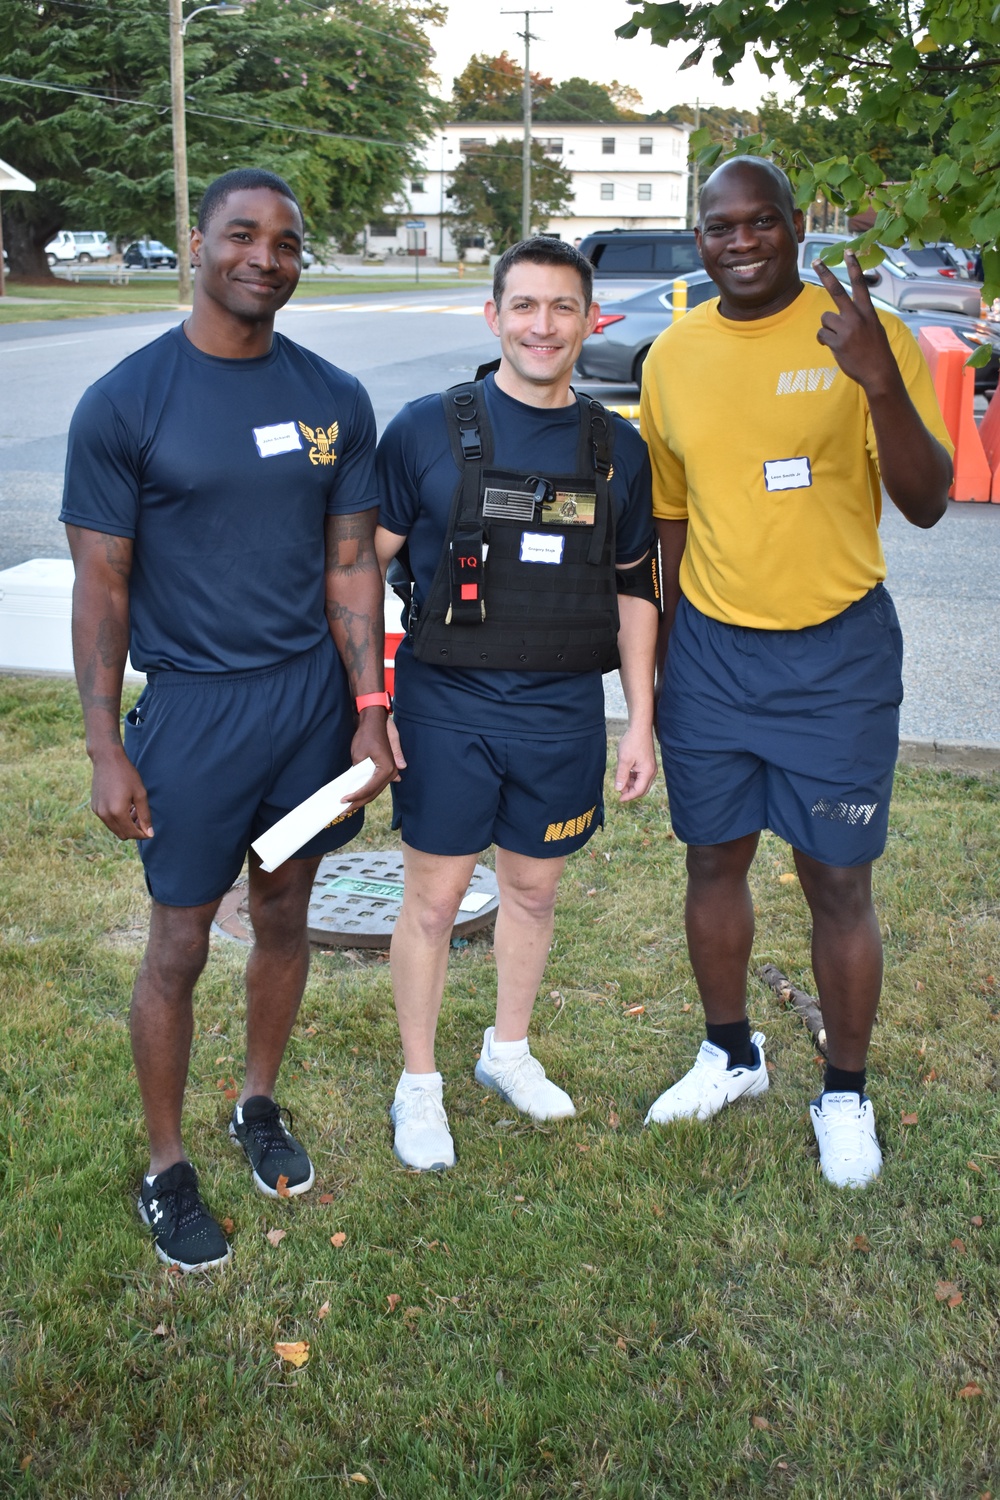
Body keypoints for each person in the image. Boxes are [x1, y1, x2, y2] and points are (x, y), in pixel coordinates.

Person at [61, 168, 395, 1270]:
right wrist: (107, 743)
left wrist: (367, 711)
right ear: (197, 244)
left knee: (287, 908)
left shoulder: (334, 396)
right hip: (195, 717)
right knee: (178, 940)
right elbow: (101, 586)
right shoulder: (127, 401)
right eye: (242, 236)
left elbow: (352, 567)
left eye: (286, 242)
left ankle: (258, 1101)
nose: (265, 257)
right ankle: (166, 1164)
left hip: (308, 717)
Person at [639, 157, 953, 1188]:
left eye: (758, 222)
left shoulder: (868, 334)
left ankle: (844, 1092)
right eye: (718, 227)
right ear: (699, 238)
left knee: (836, 879)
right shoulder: (673, 354)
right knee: (711, 860)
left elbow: (926, 500)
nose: (738, 243)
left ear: (793, 226)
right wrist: (673, 647)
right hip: (714, 655)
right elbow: (673, 513)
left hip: (836, 652)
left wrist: (874, 379)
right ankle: (730, 1053)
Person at [375, 237, 660, 1171]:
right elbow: (357, 567)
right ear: (493, 316)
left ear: (590, 321)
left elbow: (633, 590)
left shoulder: (617, 448)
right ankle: (419, 1086)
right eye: (526, 306)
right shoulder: (424, 429)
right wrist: (365, 700)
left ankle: (509, 1052)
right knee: (437, 897)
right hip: (446, 700)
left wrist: (641, 722)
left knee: (532, 889)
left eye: (564, 308)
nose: (544, 326)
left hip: (563, 708)